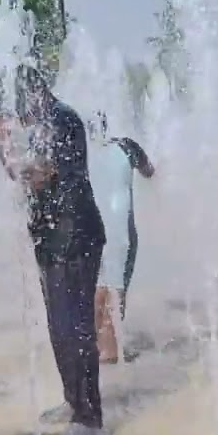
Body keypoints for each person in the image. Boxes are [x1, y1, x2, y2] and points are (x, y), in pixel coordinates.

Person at [0, 64, 107, 435]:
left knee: (76, 326)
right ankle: (74, 401)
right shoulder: (40, 123)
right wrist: (2, 148)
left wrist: (5, 142)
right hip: (51, 239)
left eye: (21, 106)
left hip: (76, 236)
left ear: (34, 95)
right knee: (58, 326)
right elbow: (22, 175)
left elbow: (39, 173)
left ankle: (90, 415)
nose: (19, 114)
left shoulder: (61, 119)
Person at [86, 111, 155, 363]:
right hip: (120, 231)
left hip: (89, 231)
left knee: (97, 286)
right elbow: (149, 171)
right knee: (116, 287)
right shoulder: (126, 146)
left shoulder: (78, 154)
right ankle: (111, 350)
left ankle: (95, 346)